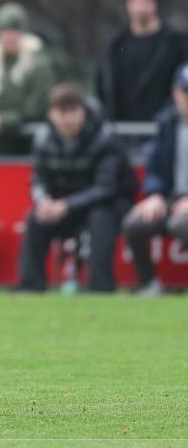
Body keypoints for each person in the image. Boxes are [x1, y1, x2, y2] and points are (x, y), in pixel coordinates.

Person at [17, 83, 137, 292]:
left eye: (73, 111)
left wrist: (66, 205)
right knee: (36, 218)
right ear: (52, 114)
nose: (69, 119)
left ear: (83, 110)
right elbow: (38, 179)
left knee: (99, 216)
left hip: (112, 205)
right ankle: (31, 286)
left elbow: (106, 188)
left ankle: (100, 287)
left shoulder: (105, 137)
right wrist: (43, 200)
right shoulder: (43, 139)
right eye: (62, 112)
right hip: (68, 205)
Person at [121, 64, 188, 296]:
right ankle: (150, 285)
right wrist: (155, 194)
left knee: (182, 224)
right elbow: (155, 168)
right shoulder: (166, 123)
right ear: (175, 93)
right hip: (172, 199)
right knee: (135, 223)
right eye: (185, 92)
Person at [0, 2, 60, 155]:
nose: (9, 36)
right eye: (4, 31)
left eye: (14, 30)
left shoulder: (37, 64)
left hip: (25, 147)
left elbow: (36, 109)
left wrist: (2, 122)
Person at [96, 0, 188, 122]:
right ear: (127, 4)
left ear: (156, 4)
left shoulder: (176, 43)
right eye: (135, 0)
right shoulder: (115, 45)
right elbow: (103, 86)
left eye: (146, 0)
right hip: (120, 130)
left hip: (165, 130)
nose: (140, 5)